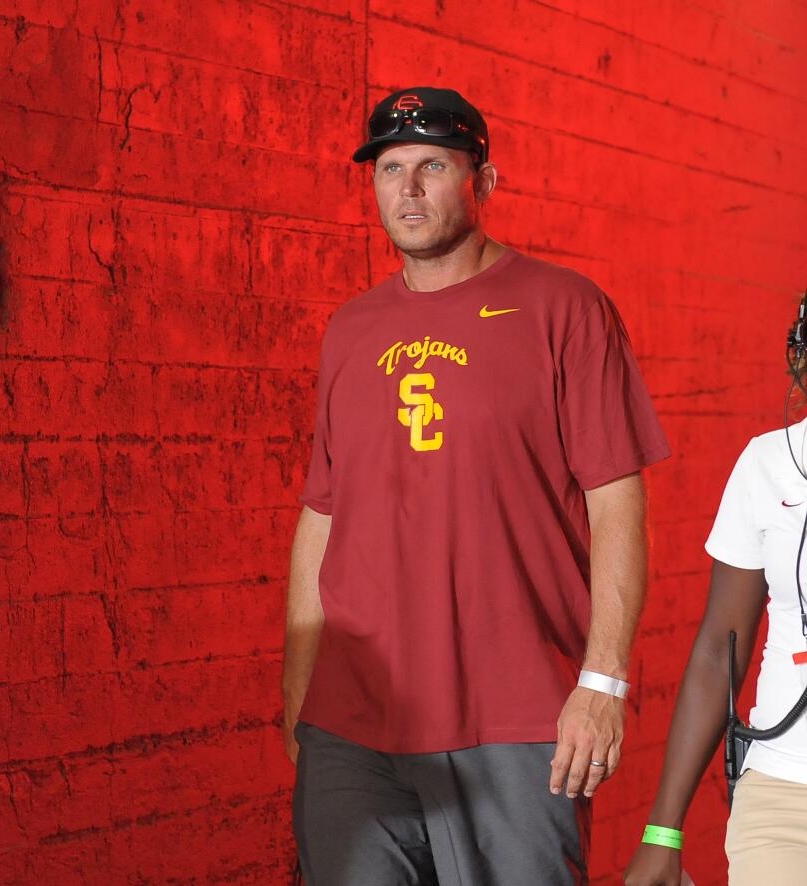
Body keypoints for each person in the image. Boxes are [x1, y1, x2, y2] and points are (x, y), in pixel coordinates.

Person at [282, 86, 671, 885]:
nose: (409, 189)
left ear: (482, 182)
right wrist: (298, 693)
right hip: (354, 729)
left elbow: (616, 502)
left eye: (433, 165)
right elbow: (323, 513)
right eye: (391, 168)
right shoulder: (349, 330)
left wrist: (602, 680)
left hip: (517, 720)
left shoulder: (565, 310)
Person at [625, 300, 807, 886]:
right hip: (784, 797)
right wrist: (663, 831)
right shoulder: (768, 464)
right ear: (798, 358)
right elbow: (716, 649)